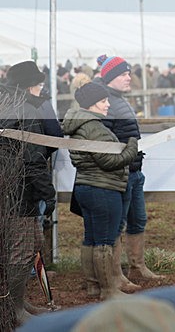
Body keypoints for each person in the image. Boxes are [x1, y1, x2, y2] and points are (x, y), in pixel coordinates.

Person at [63, 82, 140, 299]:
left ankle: (93, 286)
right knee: (105, 241)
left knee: (91, 238)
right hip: (103, 189)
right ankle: (109, 291)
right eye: (103, 101)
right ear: (92, 104)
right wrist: (131, 148)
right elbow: (109, 161)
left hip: (85, 187)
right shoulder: (94, 128)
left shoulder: (80, 124)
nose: (108, 105)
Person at [96, 54, 165, 288]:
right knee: (119, 223)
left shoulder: (120, 100)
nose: (129, 78)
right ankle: (117, 274)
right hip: (121, 173)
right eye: (124, 74)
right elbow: (105, 141)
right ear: (112, 77)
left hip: (135, 171)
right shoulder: (105, 103)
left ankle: (138, 265)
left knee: (139, 219)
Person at [0, 60, 57, 326]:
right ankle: (14, 310)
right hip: (20, 195)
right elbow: (33, 159)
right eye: (38, 84)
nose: (40, 90)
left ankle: (20, 302)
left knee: (27, 246)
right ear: (28, 86)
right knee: (21, 252)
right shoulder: (25, 111)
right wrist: (48, 193)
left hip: (10, 193)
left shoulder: (7, 105)